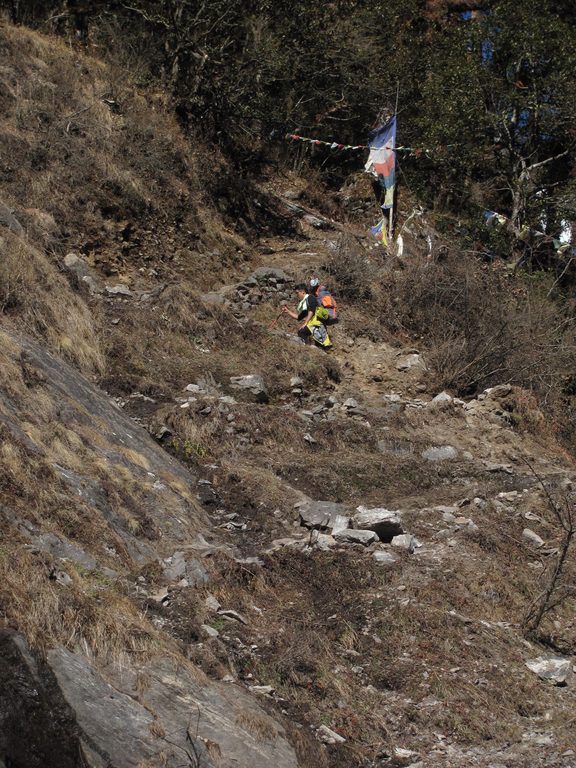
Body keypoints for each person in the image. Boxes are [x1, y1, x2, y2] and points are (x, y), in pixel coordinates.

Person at [281, 284, 332, 349]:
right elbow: (299, 317)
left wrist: (305, 323)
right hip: (314, 325)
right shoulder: (307, 303)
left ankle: (307, 348)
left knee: (302, 332)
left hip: (317, 324)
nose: (297, 295)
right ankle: (309, 348)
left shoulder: (310, 298)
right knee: (320, 344)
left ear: (303, 292)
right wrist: (288, 311)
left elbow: (312, 310)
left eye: (297, 293)